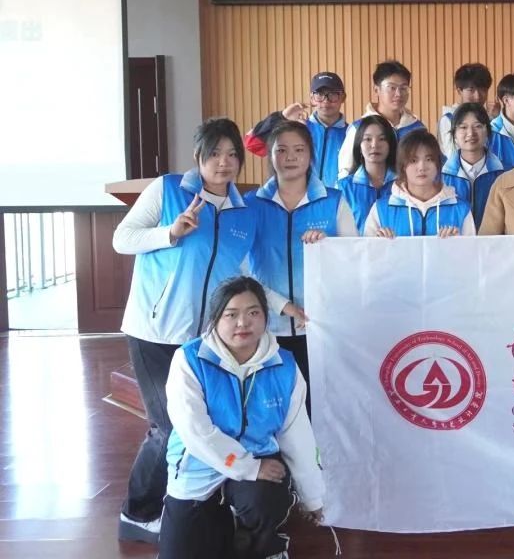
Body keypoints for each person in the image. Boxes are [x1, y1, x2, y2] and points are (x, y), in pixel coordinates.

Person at [112, 118, 257, 544]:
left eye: (232, 154)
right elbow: (123, 238)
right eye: (215, 153)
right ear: (198, 156)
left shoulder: (242, 212)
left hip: (204, 340)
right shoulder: (168, 189)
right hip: (154, 331)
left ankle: (190, 505)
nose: (223, 162)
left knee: (201, 422)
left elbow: (242, 272)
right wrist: (170, 233)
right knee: (168, 426)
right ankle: (138, 513)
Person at [158, 277, 324, 559]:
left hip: (259, 460)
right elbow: (196, 431)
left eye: (253, 312)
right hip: (199, 467)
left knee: (266, 500)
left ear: (266, 316)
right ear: (215, 319)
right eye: (231, 314)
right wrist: (247, 467)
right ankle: (226, 525)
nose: (243, 323)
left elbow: (297, 434)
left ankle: (266, 543)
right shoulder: (189, 360)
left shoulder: (284, 365)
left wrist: (313, 496)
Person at [245, 120, 358, 394]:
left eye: (299, 150)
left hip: (319, 326)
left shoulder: (333, 201)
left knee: (317, 402)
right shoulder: (251, 204)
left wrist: (327, 245)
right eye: (281, 150)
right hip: (266, 326)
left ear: (310, 155)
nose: (290, 157)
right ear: (271, 155)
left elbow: (354, 259)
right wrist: (281, 305)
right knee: (273, 402)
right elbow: (240, 269)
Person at [244, 71, 349, 187]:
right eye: (319, 94)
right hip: (296, 197)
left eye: (333, 94)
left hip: (337, 198)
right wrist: (281, 117)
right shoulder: (295, 129)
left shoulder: (352, 134)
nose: (325, 100)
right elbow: (252, 144)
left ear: (343, 97)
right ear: (312, 98)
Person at [365, 131, 475, 237]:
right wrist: (380, 244)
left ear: (438, 164)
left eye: (429, 159)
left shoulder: (460, 209)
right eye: (413, 160)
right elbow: (366, 249)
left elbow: (473, 249)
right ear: (403, 166)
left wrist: (458, 243)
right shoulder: (381, 210)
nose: (422, 167)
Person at [337, 59, 425, 177]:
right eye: (392, 87)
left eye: (403, 88)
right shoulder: (359, 128)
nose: (398, 94)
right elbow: (345, 172)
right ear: (376, 89)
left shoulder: (417, 128)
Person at [441, 103, 508, 227]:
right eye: (463, 127)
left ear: (487, 131)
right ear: (454, 135)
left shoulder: (506, 173)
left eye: (477, 126)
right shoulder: (441, 177)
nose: (470, 133)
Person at [338, 114, 397, 232]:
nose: (375, 145)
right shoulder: (345, 187)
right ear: (359, 145)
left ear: (390, 145)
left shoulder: (402, 184)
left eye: (382, 139)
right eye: (368, 139)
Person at [437, 62, 495, 158]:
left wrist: (495, 118)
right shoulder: (449, 119)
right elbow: (453, 156)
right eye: (471, 90)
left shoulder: (490, 117)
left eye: (483, 89)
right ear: (459, 91)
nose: (477, 96)